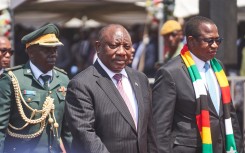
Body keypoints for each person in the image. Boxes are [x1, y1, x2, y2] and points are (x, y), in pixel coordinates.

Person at [152, 16, 243, 153]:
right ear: (191, 41)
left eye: (218, 40)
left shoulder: (218, 67)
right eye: (209, 40)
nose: (215, 45)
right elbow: (160, 128)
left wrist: (238, 146)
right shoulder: (170, 73)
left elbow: (228, 112)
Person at [65, 24, 157, 153]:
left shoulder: (140, 79)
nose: (121, 52)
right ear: (98, 47)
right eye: (114, 46)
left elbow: (150, 129)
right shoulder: (81, 85)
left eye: (127, 46)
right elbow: (85, 135)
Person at [0, 23, 72, 153]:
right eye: (47, 49)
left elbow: (68, 130)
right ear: (31, 52)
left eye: (55, 49)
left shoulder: (63, 79)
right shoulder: (12, 79)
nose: (53, 53)